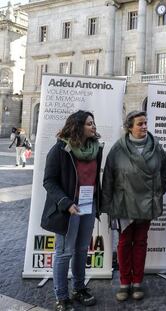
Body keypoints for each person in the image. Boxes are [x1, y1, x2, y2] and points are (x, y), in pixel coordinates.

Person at [102, 111, 166, 302]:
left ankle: (137, 281)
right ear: (129, 127)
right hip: (124, 204)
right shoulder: (118, 149)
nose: (144, 126)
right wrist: (107, 205)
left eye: (145, 123)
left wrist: (157, 192)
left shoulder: (156, 147)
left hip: (146, 202)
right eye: (140, 123)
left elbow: (164, 171)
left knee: (140, 242)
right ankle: (124, 283)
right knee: (123, 244)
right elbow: (108, 178)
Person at [41, 111, 103, 311]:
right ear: (77, 126)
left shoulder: (96, 148)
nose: (93, 127)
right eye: (89, 124)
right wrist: (66, 202)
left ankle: (78, 288)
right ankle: (62, 296)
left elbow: (95, 179)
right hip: (69, 207)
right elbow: (49, 181)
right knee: (64, 252)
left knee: (82, 249)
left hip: (88, 204)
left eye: (93, 123)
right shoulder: (60, 149)